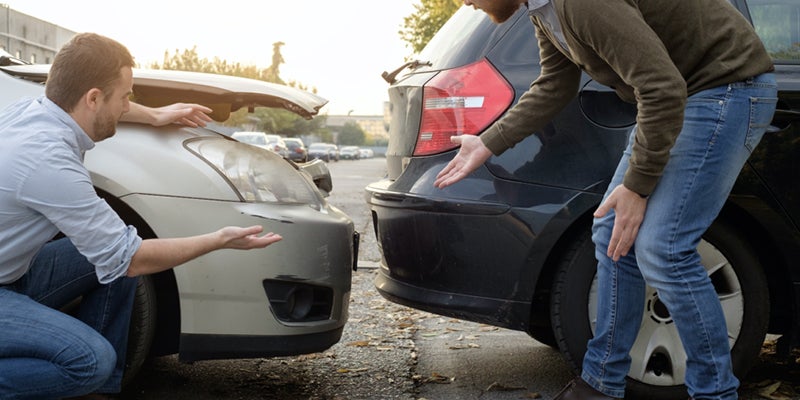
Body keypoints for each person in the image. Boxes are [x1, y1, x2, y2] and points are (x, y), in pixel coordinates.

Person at [435, 1, 777, 399]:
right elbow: (555, 84)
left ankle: (715, 393)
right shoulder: (540, 9)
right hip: (682, 96)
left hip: (722, 90)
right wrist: (489, 142)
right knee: (613, 229)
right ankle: (601, 383)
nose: (465, 2)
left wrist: (637, 187)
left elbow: (661, 87)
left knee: (663, 249)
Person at [0, 33, 283, 399]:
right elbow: (132, 259)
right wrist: (219, 240)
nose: (126, 105)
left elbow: (119, 257)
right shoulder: (47, 160)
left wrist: (156, 114)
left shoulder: (34, 110)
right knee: (89, 361)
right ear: (94, 98)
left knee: (112, 253)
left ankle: (101, 390)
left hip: (15, 275)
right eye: (125, 97)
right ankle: (93, 377)